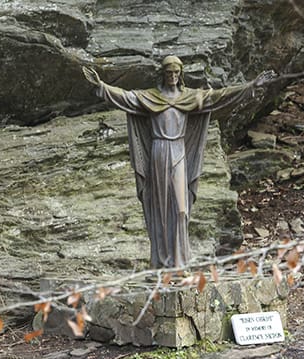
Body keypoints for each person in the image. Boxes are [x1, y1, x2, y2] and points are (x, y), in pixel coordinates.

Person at [83, 56, 274, 268]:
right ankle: (162, 262)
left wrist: (251, 86)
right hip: (158, 151)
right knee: (161, 207)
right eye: (168, 73)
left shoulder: (190, 97)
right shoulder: (151, 97)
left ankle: (180, 260)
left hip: (179, 151)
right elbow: (126, 97)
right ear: (163, 75)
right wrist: (101, 86)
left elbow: (221, 96)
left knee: (181, 208)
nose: (172, 77)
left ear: (180, 74)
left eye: (176, 73)